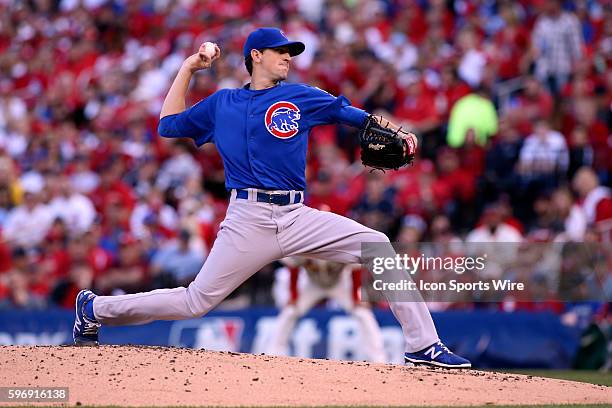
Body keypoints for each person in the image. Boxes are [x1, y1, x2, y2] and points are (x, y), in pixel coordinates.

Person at [73, 27, 471, 368]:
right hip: (247, 219)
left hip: (297, 215)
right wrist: (188, 68)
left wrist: (394, 129)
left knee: (378, 246)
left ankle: (423, 346)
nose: (288, 58)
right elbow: (167, 125)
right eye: (281, 51)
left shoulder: (299, 96)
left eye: (291, 52)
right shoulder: (222, 103)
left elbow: (351, 114)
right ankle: (94, 309)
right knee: (195, 302)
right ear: (256, 56)